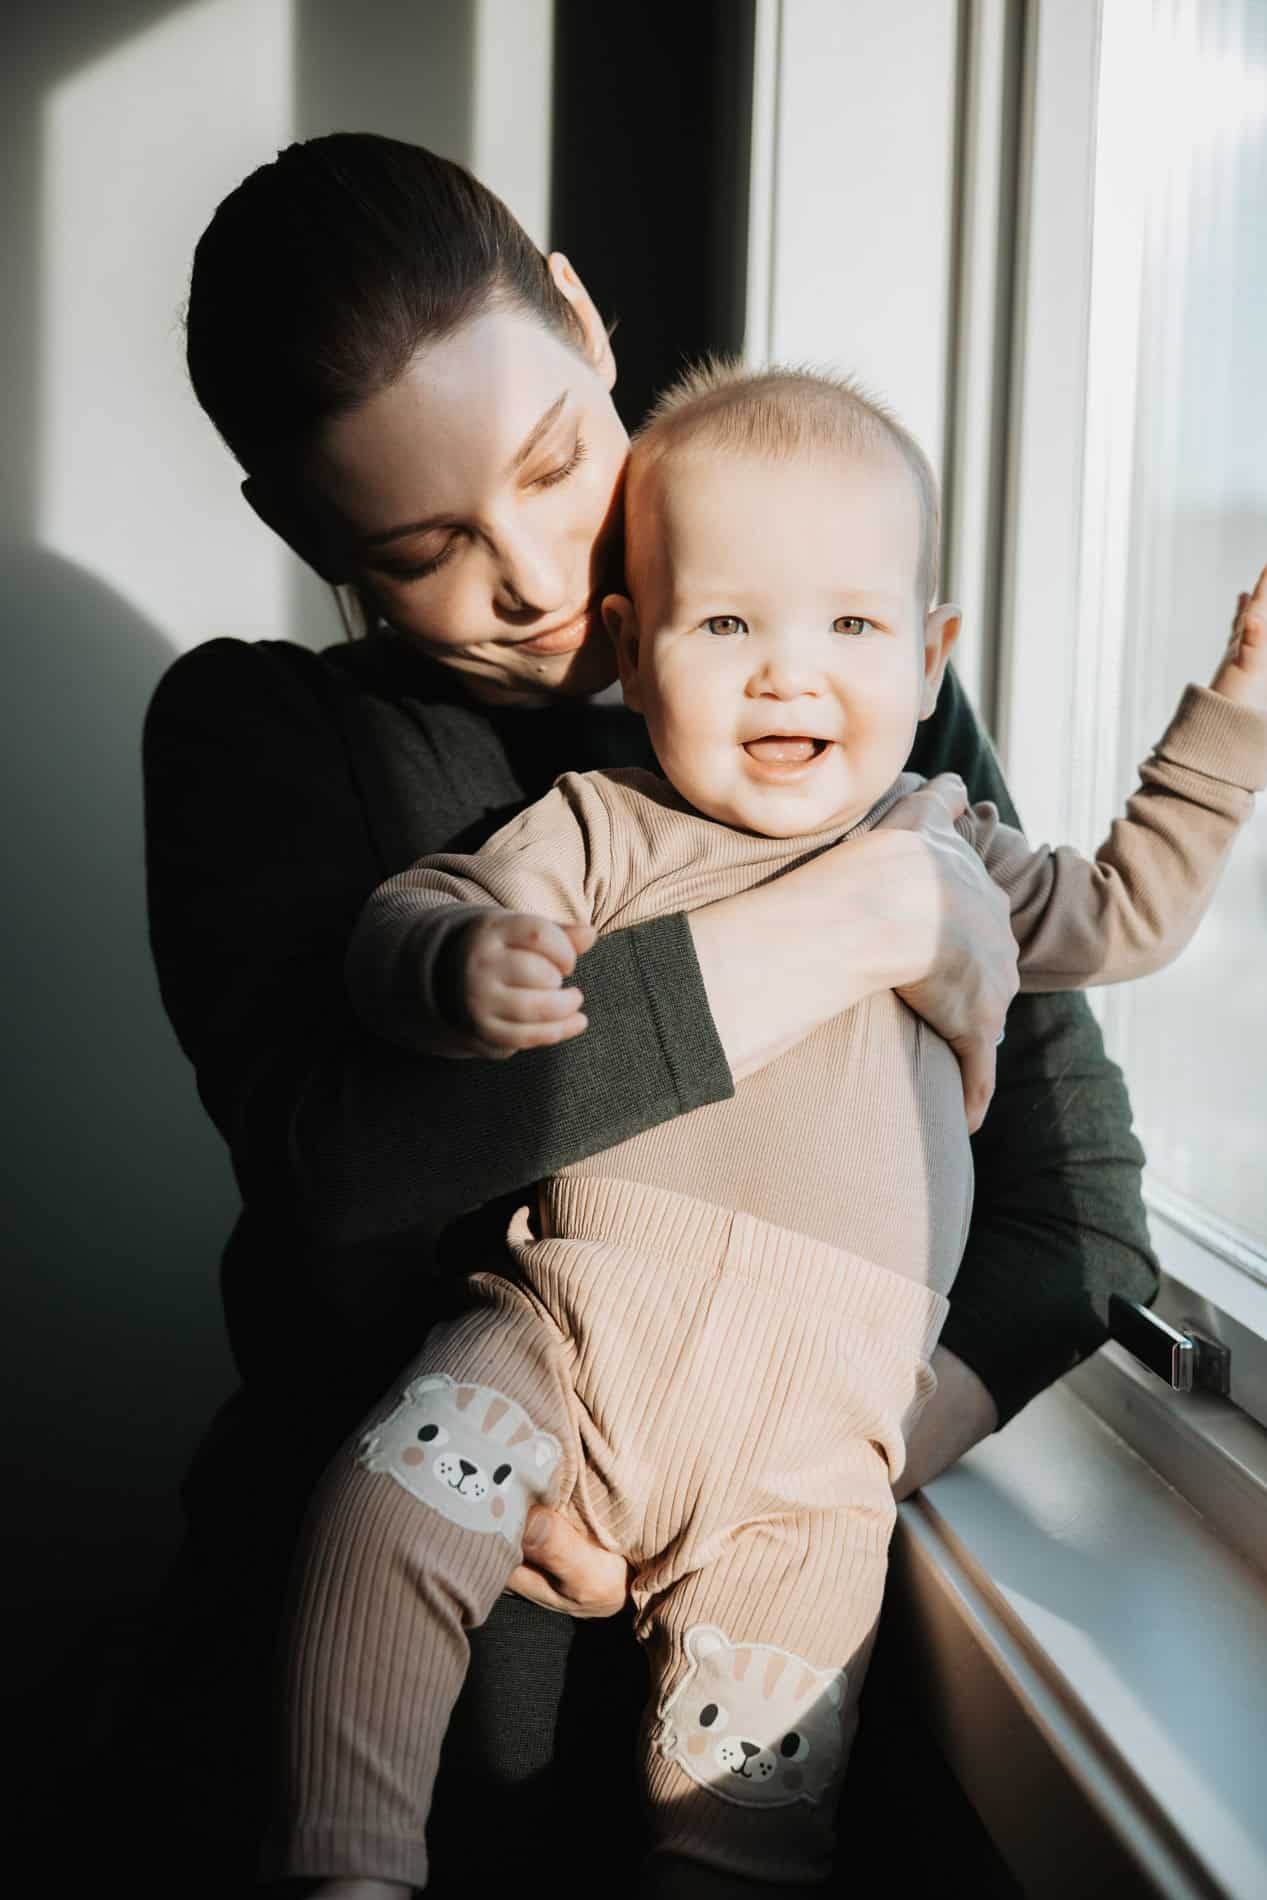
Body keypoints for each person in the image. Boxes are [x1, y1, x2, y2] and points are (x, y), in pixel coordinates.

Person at [130, 133, 1161, 1894]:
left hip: (761, 1728)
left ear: (590, 326)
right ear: (308, 536)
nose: (533, 575)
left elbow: (1079, 1221)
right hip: (369, 1748)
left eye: (550, 464)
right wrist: (857, 916)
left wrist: (769, 1467)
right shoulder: (259, 735)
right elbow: (349, 1169)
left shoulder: (835, 662)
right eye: (426, 544)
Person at [266, 360, 1267, 1896]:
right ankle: (346, 1861)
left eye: (851, 627)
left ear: (931, 659)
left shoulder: (956, 845)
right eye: (727, 625)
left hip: (810, 1465)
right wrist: (460, 963)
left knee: (746, 1808)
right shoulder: (603, 826)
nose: (788, 676)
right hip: (575, 1341)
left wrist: (1238, 714)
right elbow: (433, 907)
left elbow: (1130, 910)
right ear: (632, 652)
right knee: (388, 1499)